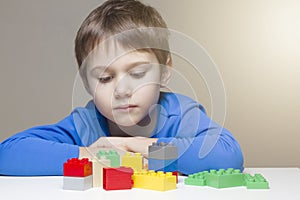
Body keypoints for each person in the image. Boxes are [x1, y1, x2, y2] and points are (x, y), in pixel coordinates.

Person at [0, 0, 243, 176]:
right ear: (86, 83)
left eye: (137, 74)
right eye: (105, 78)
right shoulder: (87, 123)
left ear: (165, 72)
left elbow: (228, 155)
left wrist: (141, 148)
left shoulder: (180, 115)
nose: (122, 90)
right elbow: (7, 153)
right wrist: (90, 154)